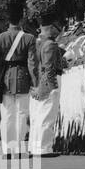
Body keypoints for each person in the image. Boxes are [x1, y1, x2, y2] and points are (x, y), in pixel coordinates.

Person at [0, 0, 36, 157]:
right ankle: (19, 148)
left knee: (7, 115)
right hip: (23, 78)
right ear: (21, 18)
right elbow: (32, 63)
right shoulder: (29, 38)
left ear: (8, 19)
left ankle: (6, 149)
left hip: (5, 79)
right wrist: (35, 82)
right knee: (22, 114)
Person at [28, 10, 65, 157]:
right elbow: (49, 67)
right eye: (55, 28)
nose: (57, 31)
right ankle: (44, 148)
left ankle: (35, 146)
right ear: (49, 27)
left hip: (37, 79)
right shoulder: (49, 44)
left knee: (37, 116)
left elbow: (32, 65)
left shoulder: (35, 43)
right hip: (49, 79)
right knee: (47, 114)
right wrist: (50, 86)